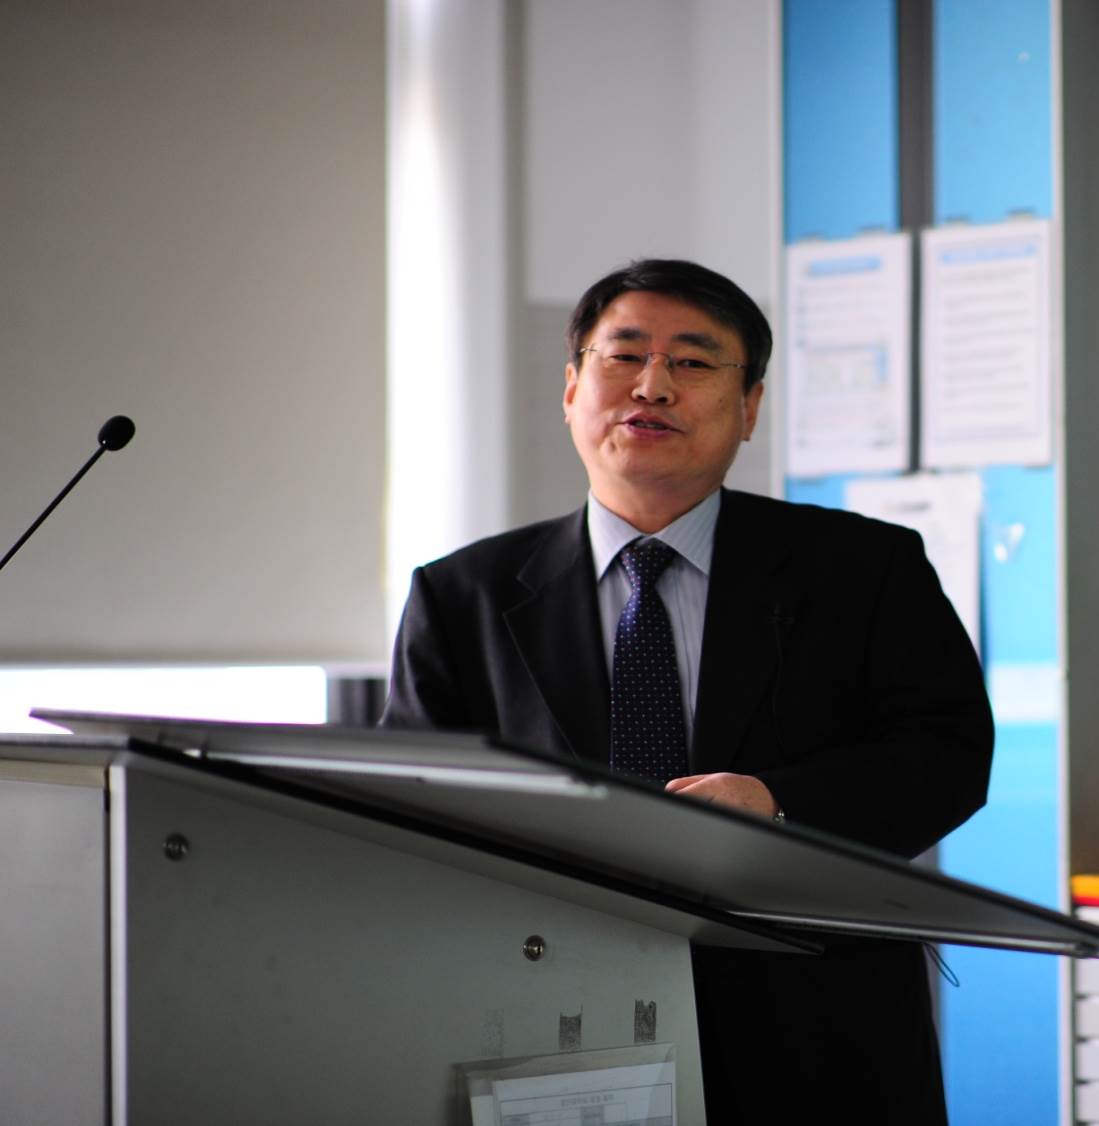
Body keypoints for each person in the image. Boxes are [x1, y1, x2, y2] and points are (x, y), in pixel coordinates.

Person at [382, 258, 993, 1123]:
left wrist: (777, 803)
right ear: (572, 388)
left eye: (694, 362)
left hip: (813, 1030)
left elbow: (947, 755)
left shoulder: (863, 568)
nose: (653, 386)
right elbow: (412, 809)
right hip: (544, 1016)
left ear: (750, 408)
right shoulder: (461, 596)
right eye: (623, 356)